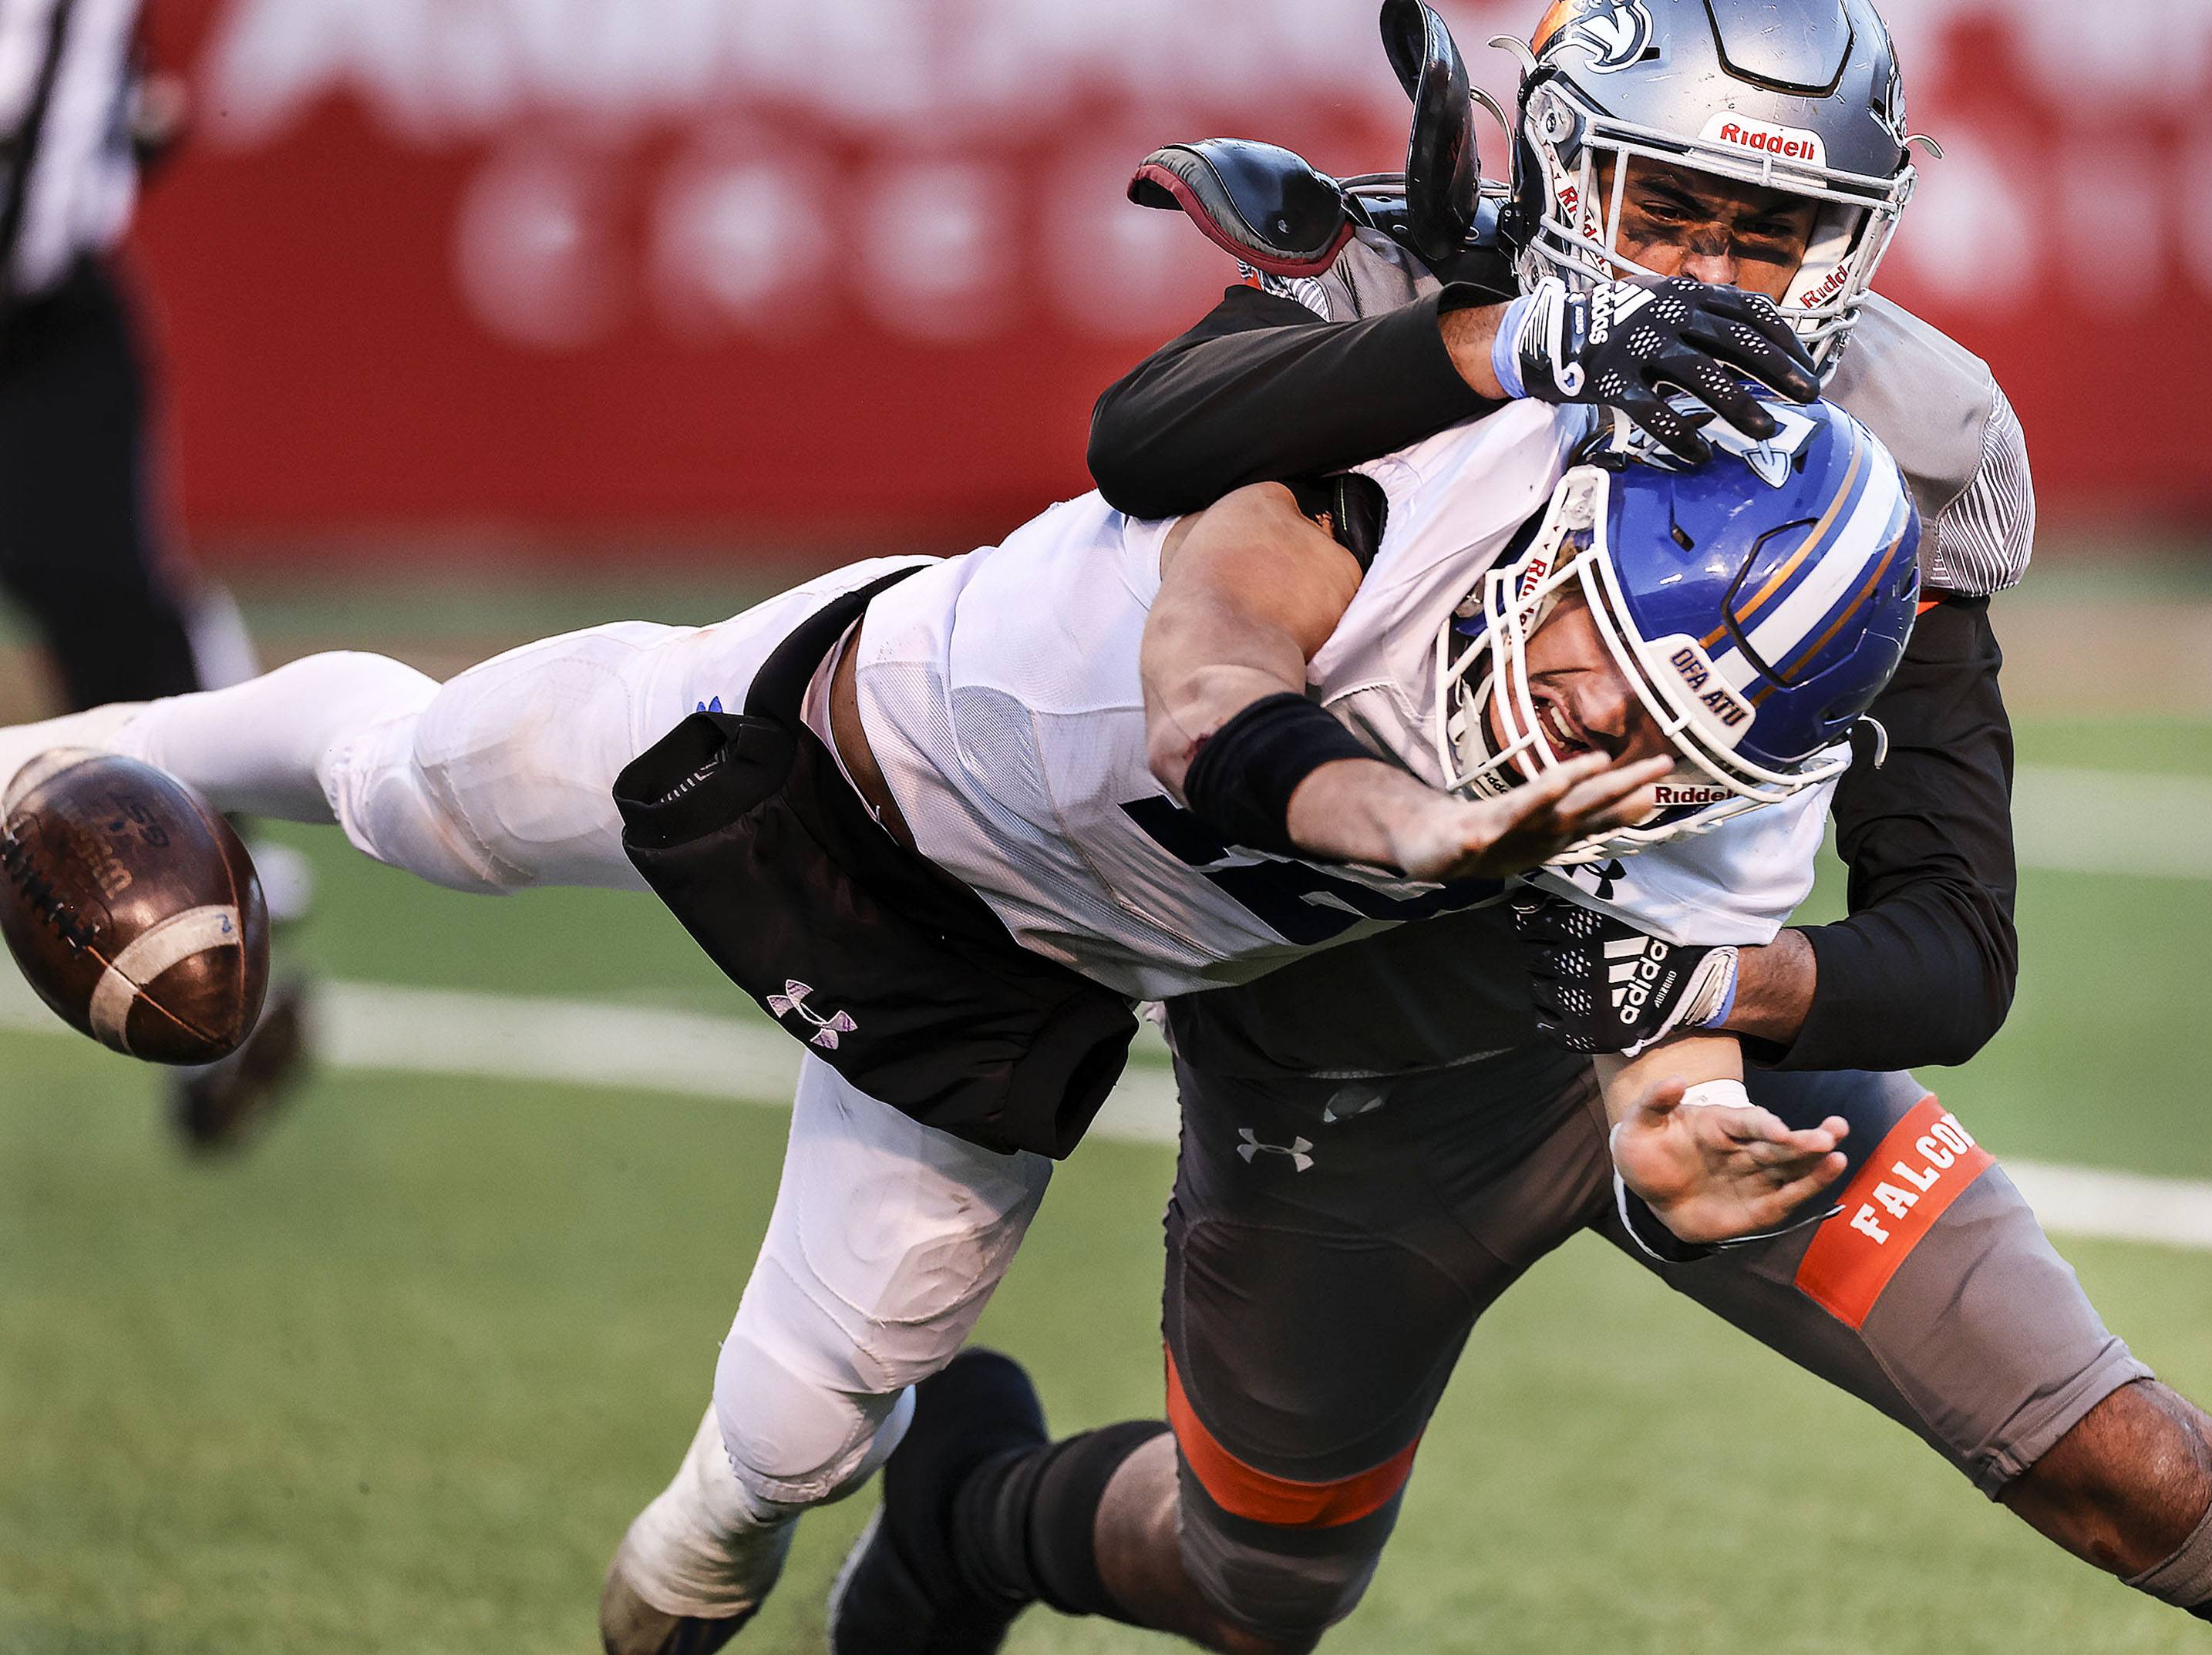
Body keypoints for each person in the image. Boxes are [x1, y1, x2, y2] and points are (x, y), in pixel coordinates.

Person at [820, 2, 2212, 1653]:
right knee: (1259, 1585)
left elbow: (1955, 947)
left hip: (1714, 1062)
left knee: (2149, 1474)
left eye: (1778, 231)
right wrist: (1489, 347)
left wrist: (1688, 1002)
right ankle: (972, 1514)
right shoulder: (1415, 300)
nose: (1714, 278)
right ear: (1562, 171)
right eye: (1668, 207)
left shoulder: (1900, 443)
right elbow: (1143, 440)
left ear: (1858, 236)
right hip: (1353, 1079)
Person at [0, 389, 1917, 1652]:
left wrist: (1678, 1121)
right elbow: (1212, 702)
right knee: (409, 780)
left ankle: (706, 1573)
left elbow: (1675, 1043)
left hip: (1012, 985)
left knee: (765, 1476)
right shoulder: (1413, 475)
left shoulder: (1727, 792)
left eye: (1665, 734)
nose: (1592, 727)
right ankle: (34, 761)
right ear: (1577, 528)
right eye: (1607, 664)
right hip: (830, 729)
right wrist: (1405, 818)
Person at [1, 0, 304, 1148]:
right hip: (45, 304)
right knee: (105, 593)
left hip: (45, 321)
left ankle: (222, 885)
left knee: (109, 598)